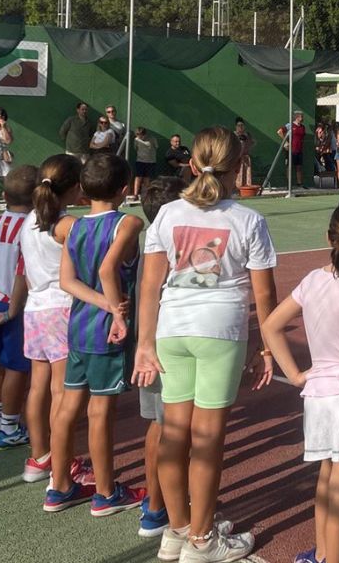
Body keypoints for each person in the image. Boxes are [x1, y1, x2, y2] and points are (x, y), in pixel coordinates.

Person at [134, 126, 278, 562]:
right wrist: (266, 347)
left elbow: (150, 285)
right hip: (220, 332)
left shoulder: (167, 214)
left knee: (174, 435)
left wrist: (144, 342)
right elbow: (265, 295)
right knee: (208, 440)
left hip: (171, 330)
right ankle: (201, 540)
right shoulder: (248, 220)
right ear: (239, 167)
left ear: (192, 165)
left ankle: (179, 530)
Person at [262, 199, 339, 563]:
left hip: (318, 396)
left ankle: (321, 556)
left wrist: (295, 374)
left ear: (328, 237)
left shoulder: (312, 280)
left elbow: (271, 325)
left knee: (326, 479)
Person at [46, 153, 145, 516]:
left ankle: (59, 486)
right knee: (100, 410)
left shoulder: (73, 227)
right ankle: (105, 493)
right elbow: (107, 269)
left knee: (68, 407)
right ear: (124, 189)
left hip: (79, 327)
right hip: (107, 333)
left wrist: (102, 304)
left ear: (84, 189)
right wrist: (115, 310)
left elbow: (67, 281)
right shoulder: (128, 223)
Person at [20, 155, 94, 486]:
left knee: (38, 387)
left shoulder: (29, 220)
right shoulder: (68, 225)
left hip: (35, 309)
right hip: (62, 309)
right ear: (77, 187)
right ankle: (64, 464)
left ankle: (40, 457)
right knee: (62, 391)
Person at [135, 176, 187, 538]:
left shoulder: (150, 243)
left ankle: (155, 506)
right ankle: (170, 512)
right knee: (176, 430)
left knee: (159, 425)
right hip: (168, 346)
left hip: (152, 344)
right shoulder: (170, 245)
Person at [0, 165, 36, 452]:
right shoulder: (30, 228)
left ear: (5, 195)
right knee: (17, 367)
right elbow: (22, 273)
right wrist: (13, 310)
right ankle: (9, 427)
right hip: (15, 305)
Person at [277, 110, 307, 189]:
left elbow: (302, 137)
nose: (302, 118)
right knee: (289, 167)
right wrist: (286, 142)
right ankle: (288, 184)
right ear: (297, 117)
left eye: (302, 117)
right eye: (301, 117)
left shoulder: (303, 127)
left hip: (299, 150)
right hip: (291, 150)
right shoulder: (290, 125)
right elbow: (279, 132)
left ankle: (299, 184)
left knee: (299, 167)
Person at [133, 126, 159, 199]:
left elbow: (156, 147)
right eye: (138, 135)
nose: (140, 137)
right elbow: (136, 148)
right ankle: (135, 195)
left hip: (150, 161)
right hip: (140, 161)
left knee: (147, 178)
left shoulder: (152, 139)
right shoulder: (136, 140)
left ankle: (146, 195)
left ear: (144, 134)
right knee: (138, 177)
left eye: (141, 135)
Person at [0, 107, 15, 178]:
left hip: (2, 161)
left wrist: (3, 126)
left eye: (2, 114)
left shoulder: (7, 128)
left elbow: (8, 141)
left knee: (6, 179)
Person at [234, 118, 254, 189]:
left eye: (242, 125)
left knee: (245, 174)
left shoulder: (247, 135)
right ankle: (236, 188)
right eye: (239, 125)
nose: (240, 127)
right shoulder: (233, 135)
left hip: (245, 158)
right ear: (236, 126)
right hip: (236, 158)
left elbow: (252, 143)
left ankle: (245, 188)